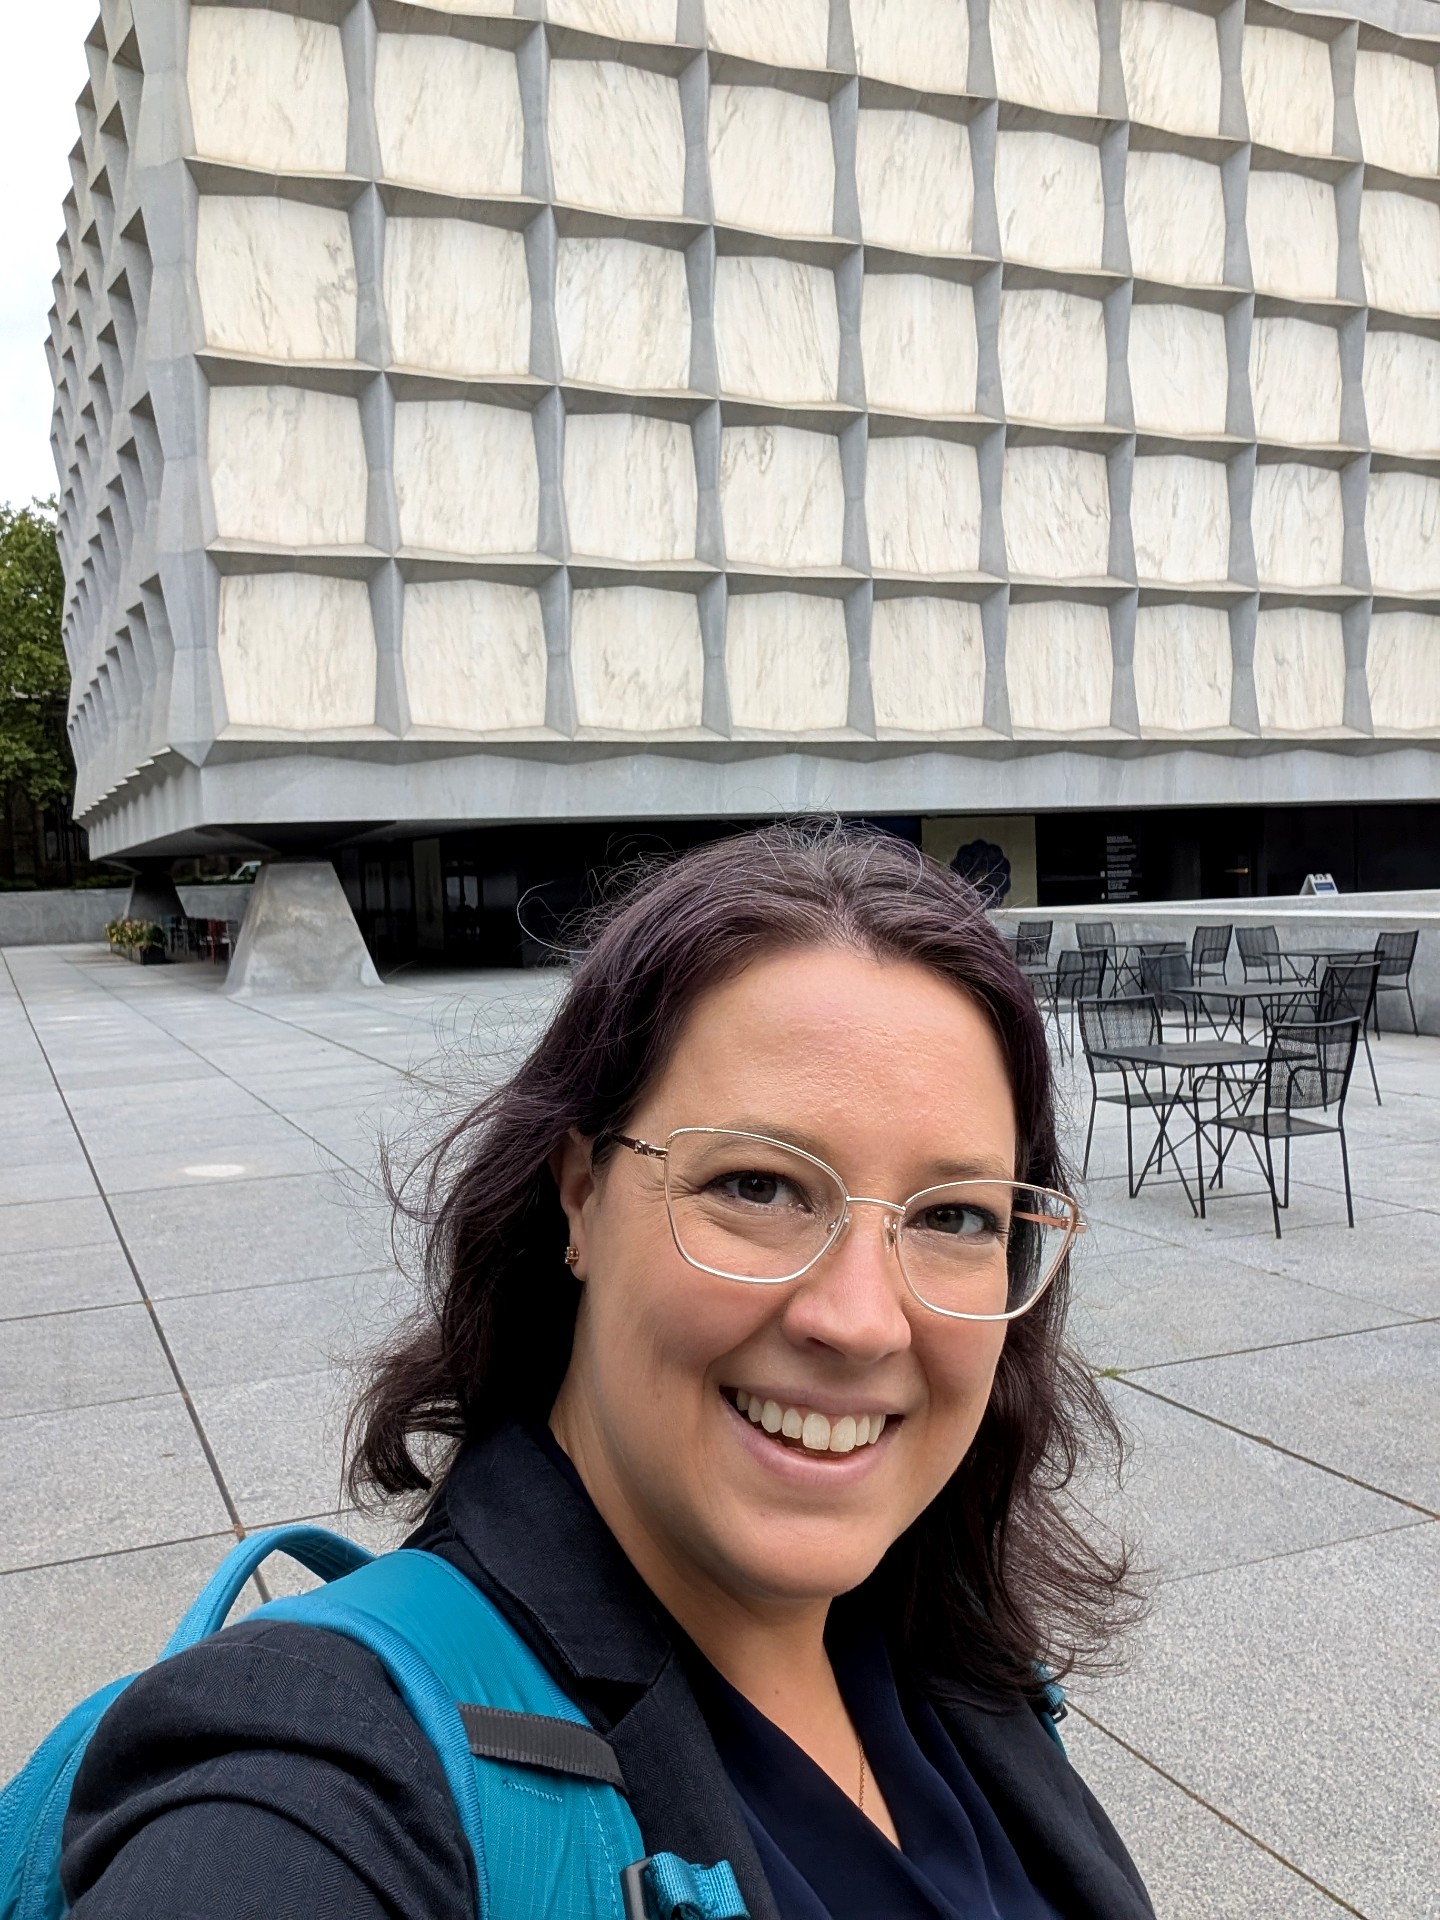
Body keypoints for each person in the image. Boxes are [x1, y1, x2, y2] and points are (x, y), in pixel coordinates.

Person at [61, 822, 1152, 1919]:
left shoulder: (943, 1645)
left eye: (955, 1214)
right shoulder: (322, 1763)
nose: (864, 1322)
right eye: (758, 1187)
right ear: (579, 1193)